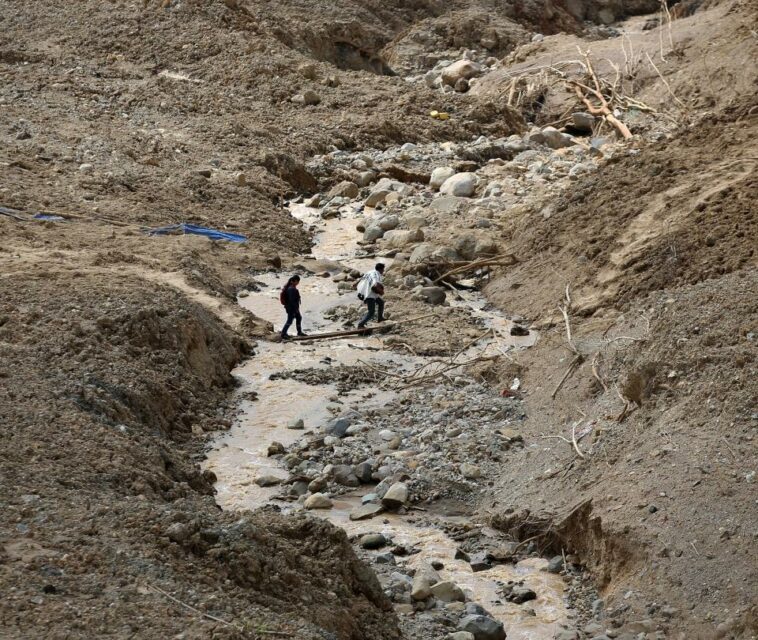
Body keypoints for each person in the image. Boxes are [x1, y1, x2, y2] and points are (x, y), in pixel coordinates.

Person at [357, 263, 386, 329]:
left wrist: (355, 284)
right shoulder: (377, 274)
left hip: (363, 292)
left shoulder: (370, 272)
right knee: (371, 312)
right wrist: (381, 292)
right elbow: (374, 286)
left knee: (381, 302)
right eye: (383, 270)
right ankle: (361, 324)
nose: (383, 271)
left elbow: (361, 278)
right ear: (381, 269)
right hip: (369, 294)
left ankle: (380, 318)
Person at [280, 275, 306, 339]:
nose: (298, 283)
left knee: (299, 318)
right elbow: (292, 300)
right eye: (298, 281)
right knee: (289, 321)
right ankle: (283, 333)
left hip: (292, 307)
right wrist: (295, 309)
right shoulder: (291, 289)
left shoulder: (291, 287)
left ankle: (299, 332)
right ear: (294, 281)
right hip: (291, 308)